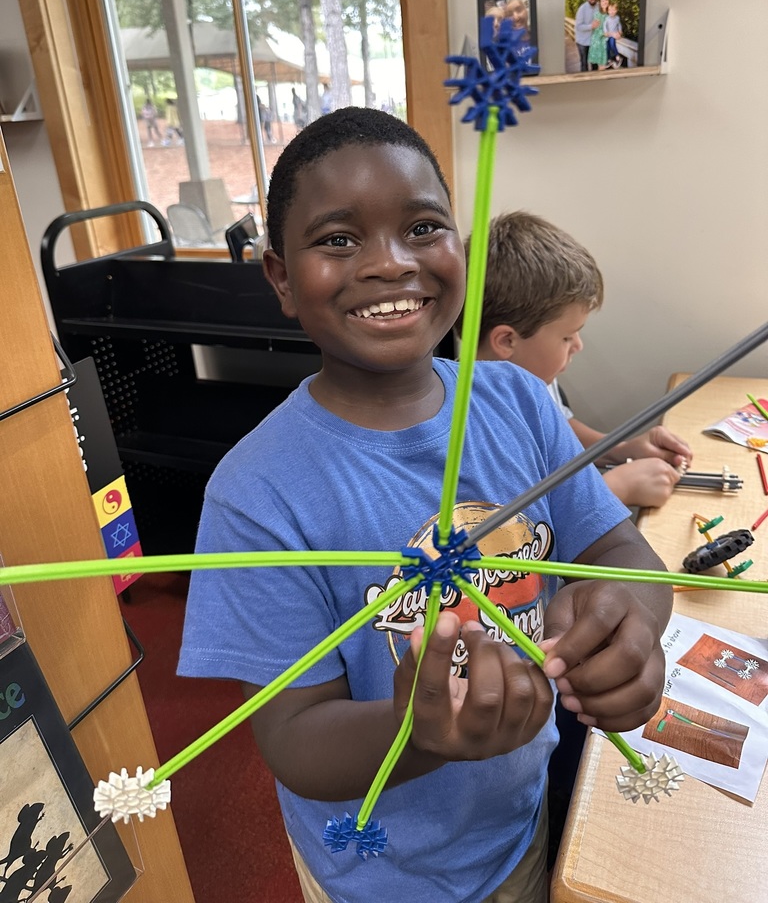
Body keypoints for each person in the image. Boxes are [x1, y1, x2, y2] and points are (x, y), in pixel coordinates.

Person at [179, 108, 672, 903]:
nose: (388, 263)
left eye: (422, 227)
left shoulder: (518, 402)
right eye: (338, 239)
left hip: (525, 821)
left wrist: (630, 620)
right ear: (279, 278)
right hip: (382, 877)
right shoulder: (255, 494)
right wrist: (417, 729)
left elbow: (624, 557)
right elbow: (294, 739)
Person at [464, 209, 693, 509]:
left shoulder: (533, 375)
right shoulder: (478, 427)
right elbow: (518, 528)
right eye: (567, 337)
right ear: (507, 340)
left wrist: (617, 448)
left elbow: (561, 427)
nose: (579, 345)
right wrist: (613, 489)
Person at [574, 0, 598, 72]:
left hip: (593, 41)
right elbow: (578, 26)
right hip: (582, 41)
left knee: (595, 64)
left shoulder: (598, 7)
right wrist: (591, 26)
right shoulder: (582, 9)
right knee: (584, 64)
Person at [588, 0, 610, 71]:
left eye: (606, 0)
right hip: (597, 46)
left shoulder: (610, 14)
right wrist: (607, 33)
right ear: (600, 3)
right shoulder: (597, 14)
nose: (605, 2)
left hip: (605, 45)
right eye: (603, 0)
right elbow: (597, 31)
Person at [603, 2, 623, 69]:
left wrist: (620, 32)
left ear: (616, 10)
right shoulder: (607, 18)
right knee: (607, 47)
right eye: (610, 10)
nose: (611, 12)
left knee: (612, 44)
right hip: (608, 34)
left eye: (613, 10)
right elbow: (604, 26)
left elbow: (619, 25)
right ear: (608, 11)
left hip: (614, 35)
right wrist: (606, 32)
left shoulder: (617, 18)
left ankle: (617, 57)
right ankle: (609, 60)